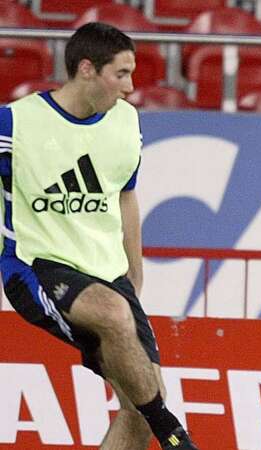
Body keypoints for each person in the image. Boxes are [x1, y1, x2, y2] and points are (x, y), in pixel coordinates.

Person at [0, 23, 197, 450]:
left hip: (107, 273)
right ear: (87, 69)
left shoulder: (126, 120)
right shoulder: (14, 124)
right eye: (121, 74)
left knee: (137, 406)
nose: (130, 87)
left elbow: (125, 196)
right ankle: (173, 432)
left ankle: (155, 419)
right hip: (36, 265)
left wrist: (135, 274)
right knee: (114, 319)